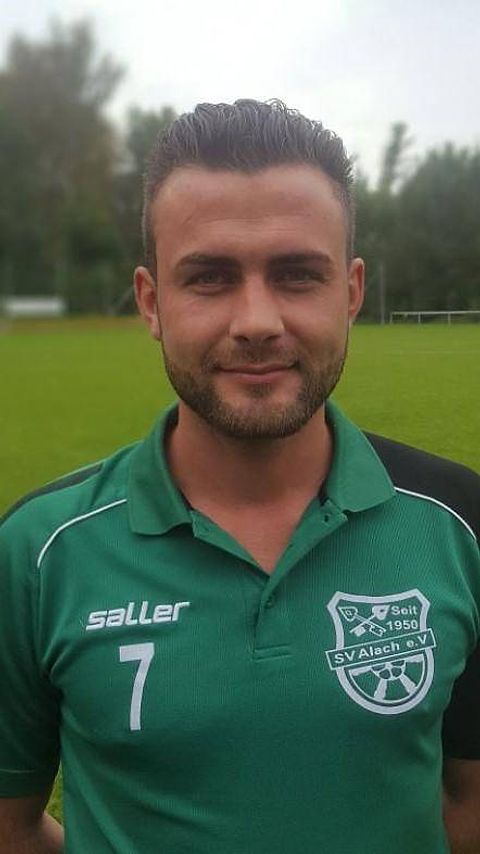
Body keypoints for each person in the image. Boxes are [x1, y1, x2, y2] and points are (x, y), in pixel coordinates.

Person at [0, 99, 479, 854]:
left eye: (297, 275)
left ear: (351, 293)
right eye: (210, 278)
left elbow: (469, 802)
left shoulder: (460, 522)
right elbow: (11, 825)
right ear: (151, 302)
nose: (256, 320)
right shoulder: (36, 551)